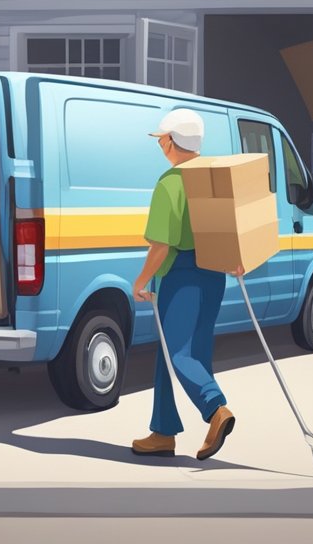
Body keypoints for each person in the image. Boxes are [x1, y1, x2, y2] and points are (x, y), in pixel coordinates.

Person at [130, 108, 241, 461]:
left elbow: (161, 245)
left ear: (172, 141)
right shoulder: (213, 177)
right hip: (214, 272)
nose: (160, 144)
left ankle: (216, 408)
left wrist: (141, 280)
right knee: (181, 352)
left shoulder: (171, 182)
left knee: (178, 353)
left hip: (181, 275)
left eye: (162, 138)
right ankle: (163, 432)